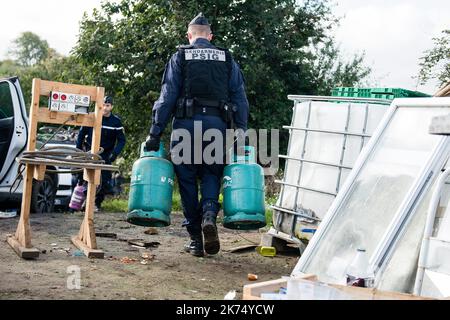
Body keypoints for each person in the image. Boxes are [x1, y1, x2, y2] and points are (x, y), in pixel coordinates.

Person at [145, 13, 249, 257]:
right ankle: (210, 214)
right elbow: (240, 99)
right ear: (210, 37)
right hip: (217, 125)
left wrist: (155, 132)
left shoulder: (180, 56)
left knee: (188, 180)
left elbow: (167, 95)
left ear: (189, 36)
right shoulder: (227, 59)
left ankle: (195, 239)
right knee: (212, 173)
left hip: (186, 125)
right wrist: (241, 132)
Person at [75, 95, 126, 211]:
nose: (105, 108)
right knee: (83, 178)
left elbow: (122, 140)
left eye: (107, 105)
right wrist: (78, 150)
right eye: (103, 105)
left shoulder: (116, 122)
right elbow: (81, 135)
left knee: (104, 180)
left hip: (106, 155)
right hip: (89, 153)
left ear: (111, 107)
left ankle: (96, 204)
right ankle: (83, 203)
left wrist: (114, 153)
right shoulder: (91, 117)